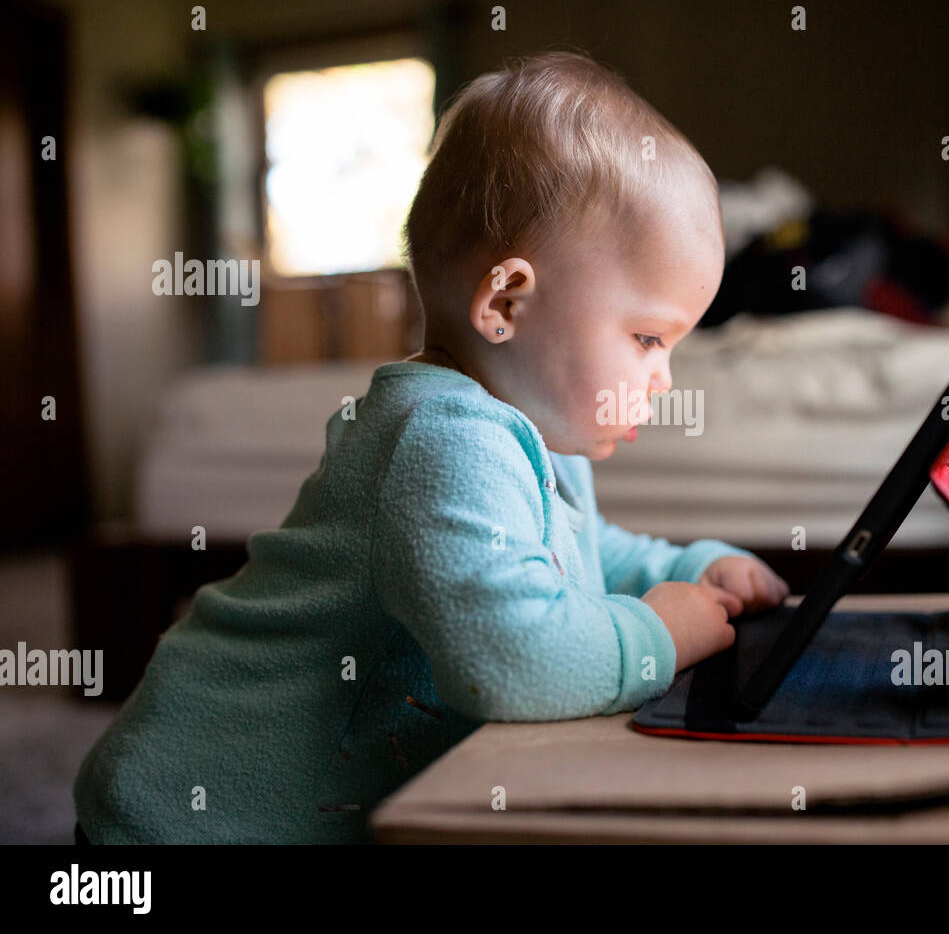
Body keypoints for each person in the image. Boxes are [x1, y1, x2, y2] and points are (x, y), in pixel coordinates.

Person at [73, 50, 788, 844]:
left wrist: (683, 571)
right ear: (506, 302)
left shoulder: (536, 443)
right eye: (649, 337)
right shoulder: (443, 442)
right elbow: (514, 660)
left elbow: (581, 555)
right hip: (188, 822)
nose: (662, 378)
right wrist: (659, 634)